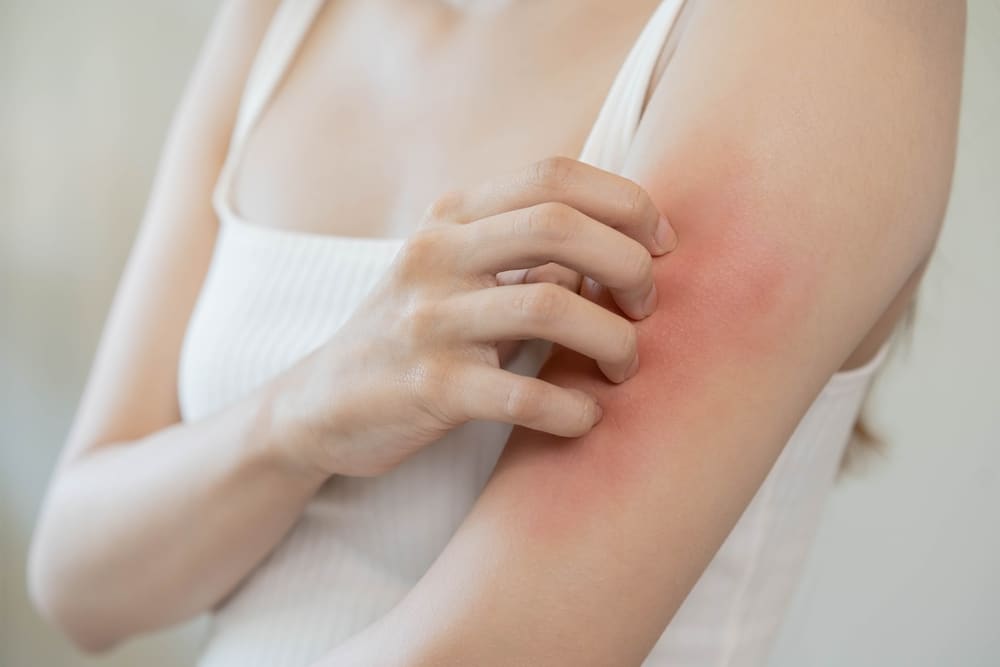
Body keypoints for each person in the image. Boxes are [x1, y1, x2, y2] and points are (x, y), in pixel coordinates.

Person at [28, 0, 965, 664]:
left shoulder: (830, 22)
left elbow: (487, 652)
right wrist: (305, 414)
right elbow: (82, 576)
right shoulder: (279, 15)